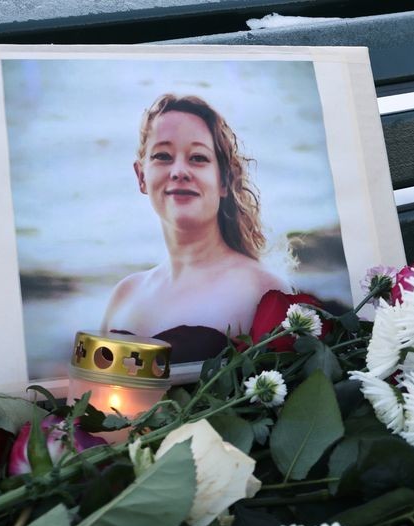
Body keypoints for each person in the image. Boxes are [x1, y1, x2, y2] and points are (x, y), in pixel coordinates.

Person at [101, 94, 289, 348]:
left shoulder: (264, 291)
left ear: (224, 180)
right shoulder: (124, 296)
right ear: (141, 176)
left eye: (198, 158)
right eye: (163, 156)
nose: (179, 171)